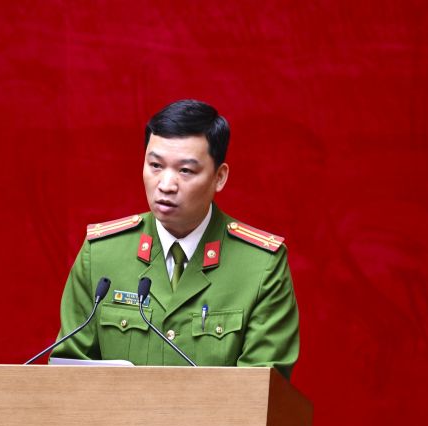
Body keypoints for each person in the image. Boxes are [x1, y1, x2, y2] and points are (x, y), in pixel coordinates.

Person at [51, 99, 299, 378]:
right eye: (156, 165)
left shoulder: (261, 266)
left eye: (185, 171)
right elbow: (69, 375)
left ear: (219, 177)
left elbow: (261, 389)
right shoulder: (101, 255)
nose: (166, 185)